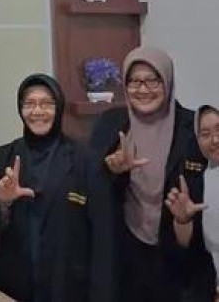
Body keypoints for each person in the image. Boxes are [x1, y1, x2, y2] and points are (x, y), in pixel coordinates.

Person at [0, 73, 109, 302]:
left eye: (47, 103)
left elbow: (101, 232)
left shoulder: (85, 159)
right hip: (15, 286)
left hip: (69, 285)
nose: (37, 111)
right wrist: (3, 203)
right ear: (20, 109)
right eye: (29, 104)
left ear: (59, 107)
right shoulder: (0, 158)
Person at [90, 46, 196, 302]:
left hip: (181, 255)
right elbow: (90, 185)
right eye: (134, 81)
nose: (143, 89)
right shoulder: (110, 123)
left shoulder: (192, 127)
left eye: (152, 80)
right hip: (125, 253)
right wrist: (112, 171)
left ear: (167, 82)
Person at [165, 104, 219, 301]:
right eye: (205, 134)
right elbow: (188, 252)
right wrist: (183, 220)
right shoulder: (197, 186)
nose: (215, 140)